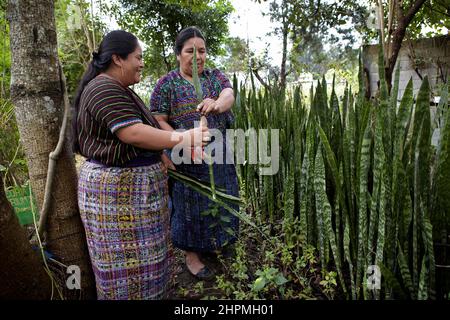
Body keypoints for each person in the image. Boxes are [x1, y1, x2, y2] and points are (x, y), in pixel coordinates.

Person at [72, 30, 209, 299]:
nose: (142, 63)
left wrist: (161, 156)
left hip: (134, 199)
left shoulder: (118, 89)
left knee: (148, 269)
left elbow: (136, 135)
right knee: (126, 274)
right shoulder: (103, 88)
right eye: (138, 57)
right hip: (117, 200)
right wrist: (183, 137)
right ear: (118, 59)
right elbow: (132, 133)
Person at [150, 26, 239, 280]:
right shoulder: (166, 84)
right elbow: (158, 120)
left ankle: (219, 241)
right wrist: (181, 143)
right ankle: (192, 255)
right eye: (190, 51)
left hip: (219, 152)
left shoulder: (214, 77)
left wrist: (217, 104)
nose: (197, 56)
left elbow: (228, 94)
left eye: (202, 51)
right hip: (184, 155)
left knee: (223, 195)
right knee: (189, 204)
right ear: (179, 54)